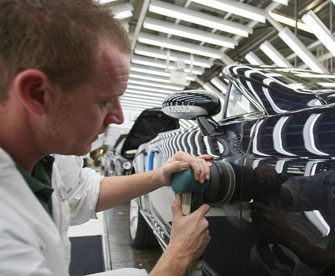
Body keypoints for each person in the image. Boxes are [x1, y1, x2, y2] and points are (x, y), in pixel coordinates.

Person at [0, 1, 211, 275]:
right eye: (105, 101)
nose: (119, 118)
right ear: (38, 93)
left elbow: (79, 194)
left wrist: (160, 176)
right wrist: (178, 255)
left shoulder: (46, 153)